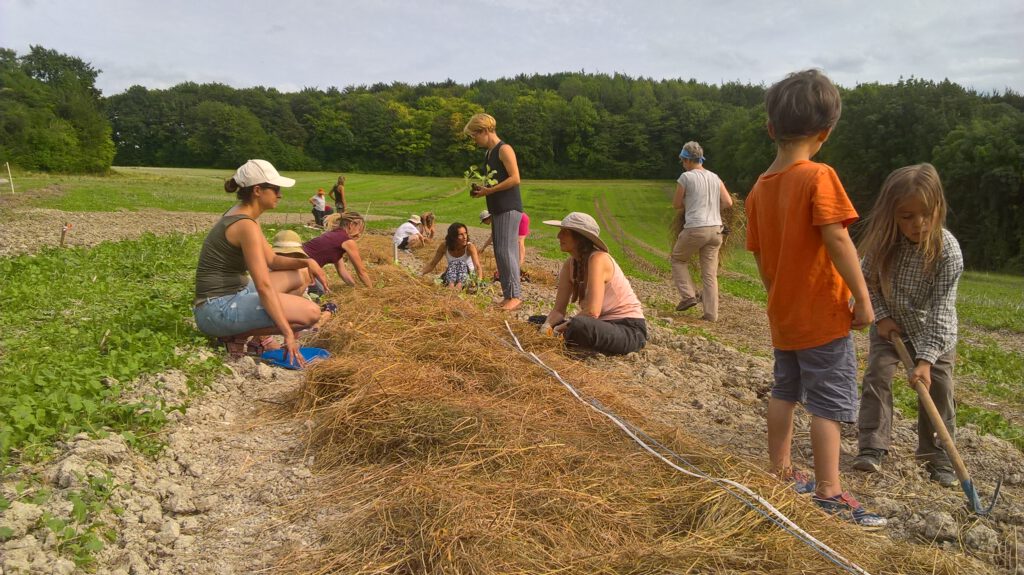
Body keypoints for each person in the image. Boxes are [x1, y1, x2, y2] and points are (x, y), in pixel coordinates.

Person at [744, 70, 885, 528]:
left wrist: (778, 298)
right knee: (828, 402)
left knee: (785, 389)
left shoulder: (758, 191)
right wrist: (863, 299)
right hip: (824, 314)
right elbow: (839, 241)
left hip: (783, 313)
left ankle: (781, 471)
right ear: (824, 133)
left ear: (770, 130)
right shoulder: (819, 176)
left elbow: (764, 259)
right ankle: (829, 492)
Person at [853, 164, 963, 488]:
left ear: (939, 208)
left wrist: (926, 361)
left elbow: (943, 311)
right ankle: (872, 445)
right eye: (906, 216)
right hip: (891, 326)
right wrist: (883, 316)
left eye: (926, 213)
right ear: (892, 215)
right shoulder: (882, 245)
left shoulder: (948, 253)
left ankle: (937, 456)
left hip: (934, 333)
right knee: (877, 376)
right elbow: (867, 283)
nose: (918, 224)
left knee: (939, 388)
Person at [193, 159, 327, 365]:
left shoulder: (244, 216)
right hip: (215, 309)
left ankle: (252, 338)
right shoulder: (245, 224)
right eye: (275, 189)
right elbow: (264, 286)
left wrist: (307, 262)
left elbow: (271, 260)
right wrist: (287, 333)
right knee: (311, 314)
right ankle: (234, 336)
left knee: (298, 276)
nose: (280, 194)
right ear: (257, 190)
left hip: (230, 294)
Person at [540, 212, 647, 355]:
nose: (558, 236)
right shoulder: (569, 265)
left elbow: (592, 312)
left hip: (628, 329)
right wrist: (547, 325)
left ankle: (571, 339)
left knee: (579, 326)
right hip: (602, 325)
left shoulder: (598, 259)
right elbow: (559, 310)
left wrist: (559, 329)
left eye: (565, 232)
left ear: (579, 237)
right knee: (536, 321)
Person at [465, 113, 523, 311]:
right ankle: (508, 296)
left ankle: (515, 296)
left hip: (509, 206)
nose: (474, 140)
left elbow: (515, 178)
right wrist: (483, 190)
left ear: (484, 131)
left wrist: (489, 190)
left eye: (474, 135)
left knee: (507, 251)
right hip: (497, 207)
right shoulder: (489, 153)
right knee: (500, 251)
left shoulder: (504, 149)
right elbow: (496, 181)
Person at [671, 141, 733, 321]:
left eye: (683, 161)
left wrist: (691, 205)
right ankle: (711, 315)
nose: (683, 164)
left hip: (695, 228)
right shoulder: (715, 177)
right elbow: (728, 202)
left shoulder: (686, 178)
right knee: (709, 274)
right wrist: (712, 210)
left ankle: (688, 296)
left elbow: (676, 204)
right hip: (716, 230)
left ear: (687, 160)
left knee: (678, 259)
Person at [303, 212, 373, 288]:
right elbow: (361, 271)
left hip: (295, 259)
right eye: (359, 229)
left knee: (320, 289)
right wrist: (371, 290)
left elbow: (342, 271)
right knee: (319, 292)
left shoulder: (335, 236)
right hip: (302, 266)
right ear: (351, 225)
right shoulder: (347, 241)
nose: (359, 234)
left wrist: (354, 287)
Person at [421, 222, 482, 290]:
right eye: (461, 235)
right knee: (453, 264)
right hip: (452, 276)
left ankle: (459, 286)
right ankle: (451, 287)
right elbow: (433, 264)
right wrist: (420, 274)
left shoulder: (469, 247)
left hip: (467, 277)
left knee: (460, 263)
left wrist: (478, 282)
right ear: (453, 237)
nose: (465, 237)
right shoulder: (444, 246)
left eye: (465, 233)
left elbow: (477, 266)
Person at [480, 209, 530, 274]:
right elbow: (493, 235)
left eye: (483, 221)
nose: (484, 223)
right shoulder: (495, 220)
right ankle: (517, 263)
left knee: (520, 241)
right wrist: (483, 248)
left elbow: (492, 237)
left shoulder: (496, 219)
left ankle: (520, 263)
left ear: (486, 218)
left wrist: (483, 248)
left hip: (521, 219)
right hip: (517, 218)